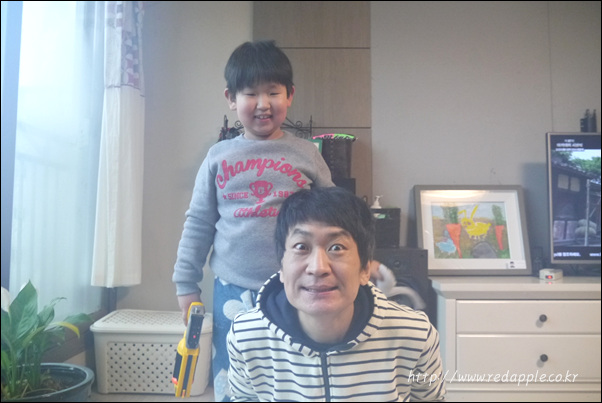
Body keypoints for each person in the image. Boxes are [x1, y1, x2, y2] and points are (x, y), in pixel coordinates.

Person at [172, 40, 335, 401]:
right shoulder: (218, 157)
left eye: (273, 92)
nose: (263, 103)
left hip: (298, 286)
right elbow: (198, 222)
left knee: (296, 372)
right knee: (234, 372)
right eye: (251, 93)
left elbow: (335, 216)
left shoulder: (306, 153)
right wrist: (186, 284)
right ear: (231, 98)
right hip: (232, 287)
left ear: (290, 95)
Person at [227, 186, 447, 401]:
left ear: (365, 269)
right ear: (282, 267)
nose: (318, 267)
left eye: (336, 248)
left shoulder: (415, 335)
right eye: (301, 247)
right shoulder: (246, 336)